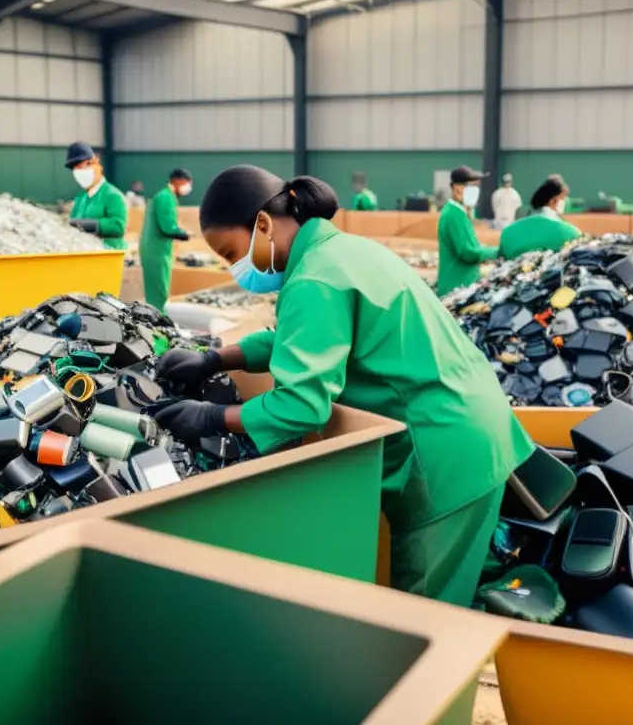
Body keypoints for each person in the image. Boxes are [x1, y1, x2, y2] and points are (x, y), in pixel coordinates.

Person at [153, 165, 535, 606]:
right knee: (456, 583)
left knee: (427, 611)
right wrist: (216, 358)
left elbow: (300, 406)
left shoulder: (316, 277)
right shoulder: (338, 253)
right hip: (466, 424)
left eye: (229, 252)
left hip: (444, 448)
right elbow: (294, 339)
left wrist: (212, 417)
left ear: (262, 224)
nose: (234, 268)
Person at [437, 166, 499, 296]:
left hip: (458, 284)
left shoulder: (457, 212)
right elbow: (468, 252)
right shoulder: (454, 215)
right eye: (472, 186)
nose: (475, 191)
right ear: (457, 187)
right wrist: (497, 252)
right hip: (457, 286)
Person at [140, 169, 192, 311]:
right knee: (159, 292)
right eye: (187, 183)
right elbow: (167, 227)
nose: (188, 187)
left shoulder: (164, 196)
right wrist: (184, 234)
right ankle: (159, 323)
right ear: (176, 181)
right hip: (157, 251)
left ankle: (154, 319)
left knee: (154, 290)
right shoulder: (166, 197)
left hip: (154, 249)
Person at [65, 141, 128, 250]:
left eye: (81, 167)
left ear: (94, 164)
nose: (78, 172)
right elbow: (72, 222)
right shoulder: (81, 198)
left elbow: (118, 226)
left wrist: (92, 225)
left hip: (108, 256)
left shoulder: (112, 195)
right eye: (75, 169)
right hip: (86, 255)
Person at [499, 176, 582, 259]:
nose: (565, 202)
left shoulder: (507, 233)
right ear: (553, 201)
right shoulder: (571, 233)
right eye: (563, 199)